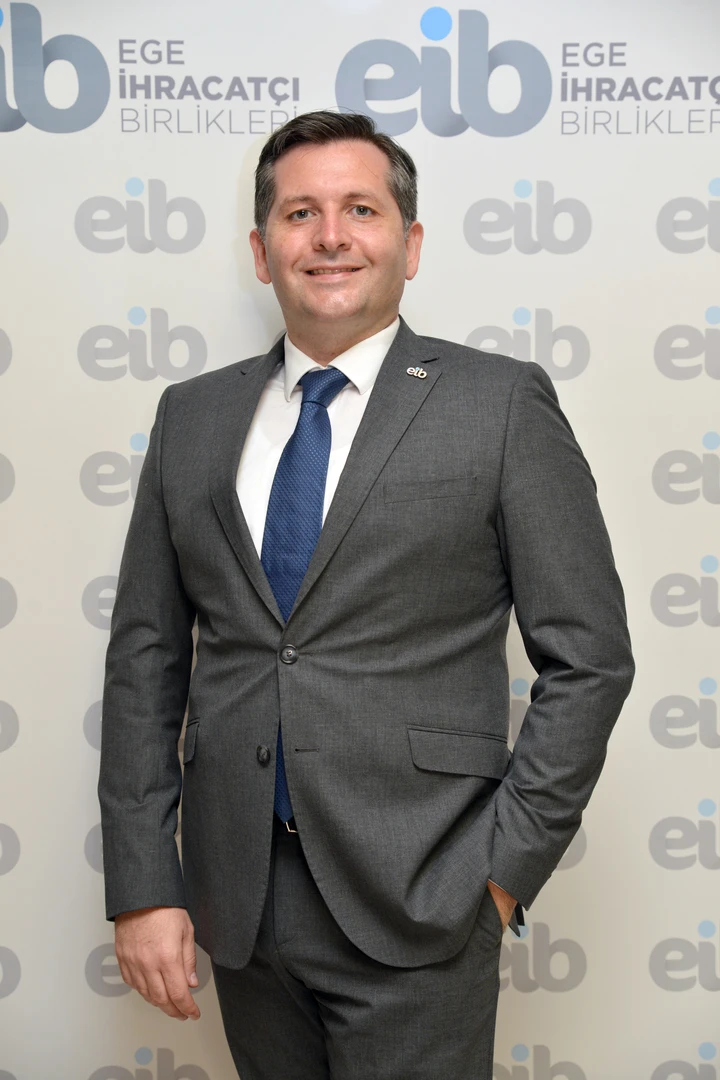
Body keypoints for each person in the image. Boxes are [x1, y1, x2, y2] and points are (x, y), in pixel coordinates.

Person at [98, 109, 635, 1080]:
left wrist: (498, 877)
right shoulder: (192, 417)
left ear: (410, 244)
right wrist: (144, 884)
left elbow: (589, 659)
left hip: (424, 898)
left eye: (361, 209)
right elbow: (146, 660)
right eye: (300, 213)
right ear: (261, 251)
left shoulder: (499, 404)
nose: (330, 236)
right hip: (238, 906)